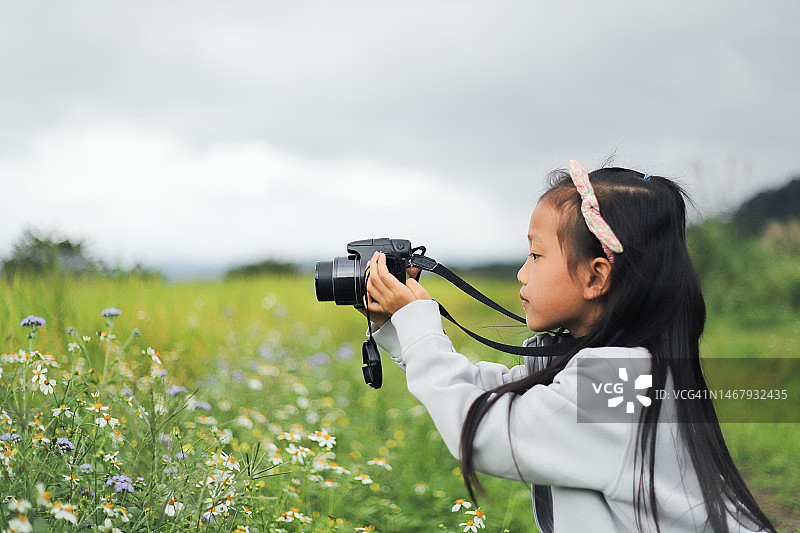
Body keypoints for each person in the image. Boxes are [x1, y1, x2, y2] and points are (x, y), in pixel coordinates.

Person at [361, 161, 775, 533]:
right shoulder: (614, 365)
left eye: (536, 255)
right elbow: (495, 395)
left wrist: (421, 326)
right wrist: (401, 327)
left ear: (596, 277)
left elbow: (484, 432)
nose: (523, 274)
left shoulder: (618, 386)